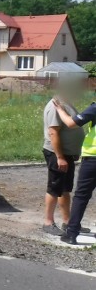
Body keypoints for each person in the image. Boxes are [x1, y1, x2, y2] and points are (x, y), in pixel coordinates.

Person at [42, 84, 86, 236]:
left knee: (65, 188)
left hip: (67, 154)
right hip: (57, 154)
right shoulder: (55, 105)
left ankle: (68, 222)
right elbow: (53, 133)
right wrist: (60, 157)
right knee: (54, 188)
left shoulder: (66, 103)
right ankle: (48, 222)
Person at [53, 97, 96, 244]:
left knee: (81, 196)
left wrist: (60, 110)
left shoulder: (95, 107)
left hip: (93, 158)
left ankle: (71, 234)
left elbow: (71, 123)